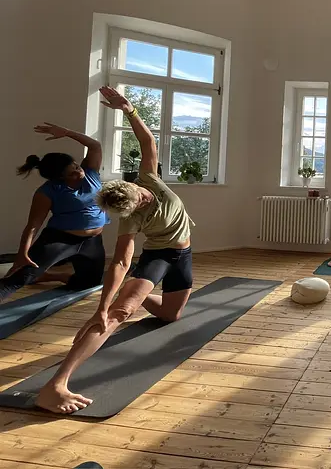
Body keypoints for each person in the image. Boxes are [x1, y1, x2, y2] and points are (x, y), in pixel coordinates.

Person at [34, 86, 194, 414]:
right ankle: (56, 385)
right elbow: (121, 261)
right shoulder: (130, 220)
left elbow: (148, 141)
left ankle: (126, 296)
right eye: (142, 204)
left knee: (170, 314)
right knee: (120, 313)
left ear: (135, 186)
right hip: (160, 257)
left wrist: (129, 109)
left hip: (185, 255)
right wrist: (105, 306)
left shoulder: (147, 179)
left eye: (143, 196)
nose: (147, 200)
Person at [2, 124, 109, 301]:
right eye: (72, 173)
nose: (78, 172)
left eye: (76, 165)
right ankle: (32, 274)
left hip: (93, 242)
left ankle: (48, 276)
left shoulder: (90, 172)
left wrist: (67, 133)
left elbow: (95, 146)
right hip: (60, 240)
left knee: (89, 283)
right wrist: (23, 253)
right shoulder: (47, 191)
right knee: (18, 278)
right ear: (60, 178)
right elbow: (33, 225)